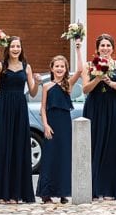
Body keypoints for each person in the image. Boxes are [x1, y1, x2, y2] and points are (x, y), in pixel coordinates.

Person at [0, 36, 38, 204]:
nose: (16, 49)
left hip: (20, 109)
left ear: (21, 49)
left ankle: (16, 193)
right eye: (13, 46)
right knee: (4, 147)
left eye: (18, 46)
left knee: (18, 148)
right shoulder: (1, 65)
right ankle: (2, 194)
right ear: (7, 48)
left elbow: (33, 92)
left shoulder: (26, 67)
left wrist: (36, 82)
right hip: (4, 108)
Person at [81, 33, 116, 201]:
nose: (105, 48)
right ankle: (94, 190)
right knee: (94, 146)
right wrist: (98, 79)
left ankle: (111, 189)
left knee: (111, 147)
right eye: (102, 45)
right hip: (94, 108)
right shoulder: (89, 65)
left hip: (113, 108)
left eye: (108, 45)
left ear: (113, 48)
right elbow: (85, 89)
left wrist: (110, 82)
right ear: (97, 49)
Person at [36, 42, 84, 204]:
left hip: (65, 125)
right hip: (51, 125)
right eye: (56, 66)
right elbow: (42, 108)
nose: (59, 69)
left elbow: (79, 70)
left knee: (64, 158)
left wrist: (78, 49)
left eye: (62, 66)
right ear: (51, 68)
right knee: (50, 158)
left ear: (65, 69)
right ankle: (46, 193)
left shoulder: (67, 85)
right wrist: (46, 125)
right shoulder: (47, 87)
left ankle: (63, 192)